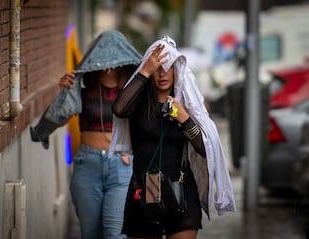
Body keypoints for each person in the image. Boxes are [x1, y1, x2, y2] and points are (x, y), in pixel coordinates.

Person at [110, 35, 237, 239]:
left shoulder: (188, 104)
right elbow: (118, 109)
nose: (163, 73)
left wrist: (184, 118)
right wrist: (144, 70)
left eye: (169, 67)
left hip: (181, 192)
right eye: (157, 67)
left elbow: (205, 149)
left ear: (178, 70)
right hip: (144, 191)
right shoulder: (138, 102)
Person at [30, 30, 142, 239]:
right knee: (90, 235)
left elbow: (145, 124)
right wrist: (64, 93)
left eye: (115, 56)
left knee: (115, 235)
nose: (109, 62)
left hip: (121, 165)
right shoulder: (83, 87)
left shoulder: (132, 90)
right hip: (86, 163)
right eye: (104, 55)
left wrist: (132, 153)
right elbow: (59, 118)